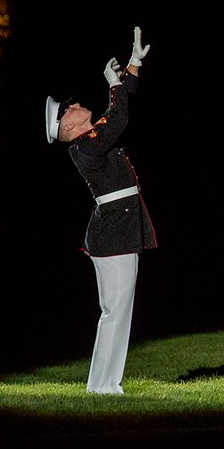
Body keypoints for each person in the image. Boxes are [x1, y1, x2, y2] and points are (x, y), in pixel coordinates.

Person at [44, 26, 156, 395]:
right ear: (69, 125)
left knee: (117, 312)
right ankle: (104, 386)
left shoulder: (89, 141)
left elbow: (118, 113)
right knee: (115, 312)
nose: (76, 105)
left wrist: (132, 67)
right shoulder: (83, 149)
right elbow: (118, 118)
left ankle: (105, 384)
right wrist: (118, 80)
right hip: (113, 232)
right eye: (71, 108)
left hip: (117, 228)